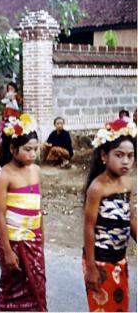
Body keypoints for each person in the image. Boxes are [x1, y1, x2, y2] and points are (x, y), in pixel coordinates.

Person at [0, 113, 47, 311]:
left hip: (33, 239)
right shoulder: (4, 176)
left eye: (35, 149)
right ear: (13, 149)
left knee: (37, 286)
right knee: (11, 287)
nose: (32, 154)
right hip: (12, 241)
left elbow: (38, 208)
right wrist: (7, 250)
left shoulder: (36, 171)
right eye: (27, 149)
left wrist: (41, 239)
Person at [83, 117, 136, 312]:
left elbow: (130, 218)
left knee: (120, 307)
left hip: (119, 259)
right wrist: (91, 267)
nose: (125, 161)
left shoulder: (128, 184)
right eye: (119, 155)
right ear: (104, 155)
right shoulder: (97, 188)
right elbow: (89, 227)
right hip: (100, 261)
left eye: (130, 156)